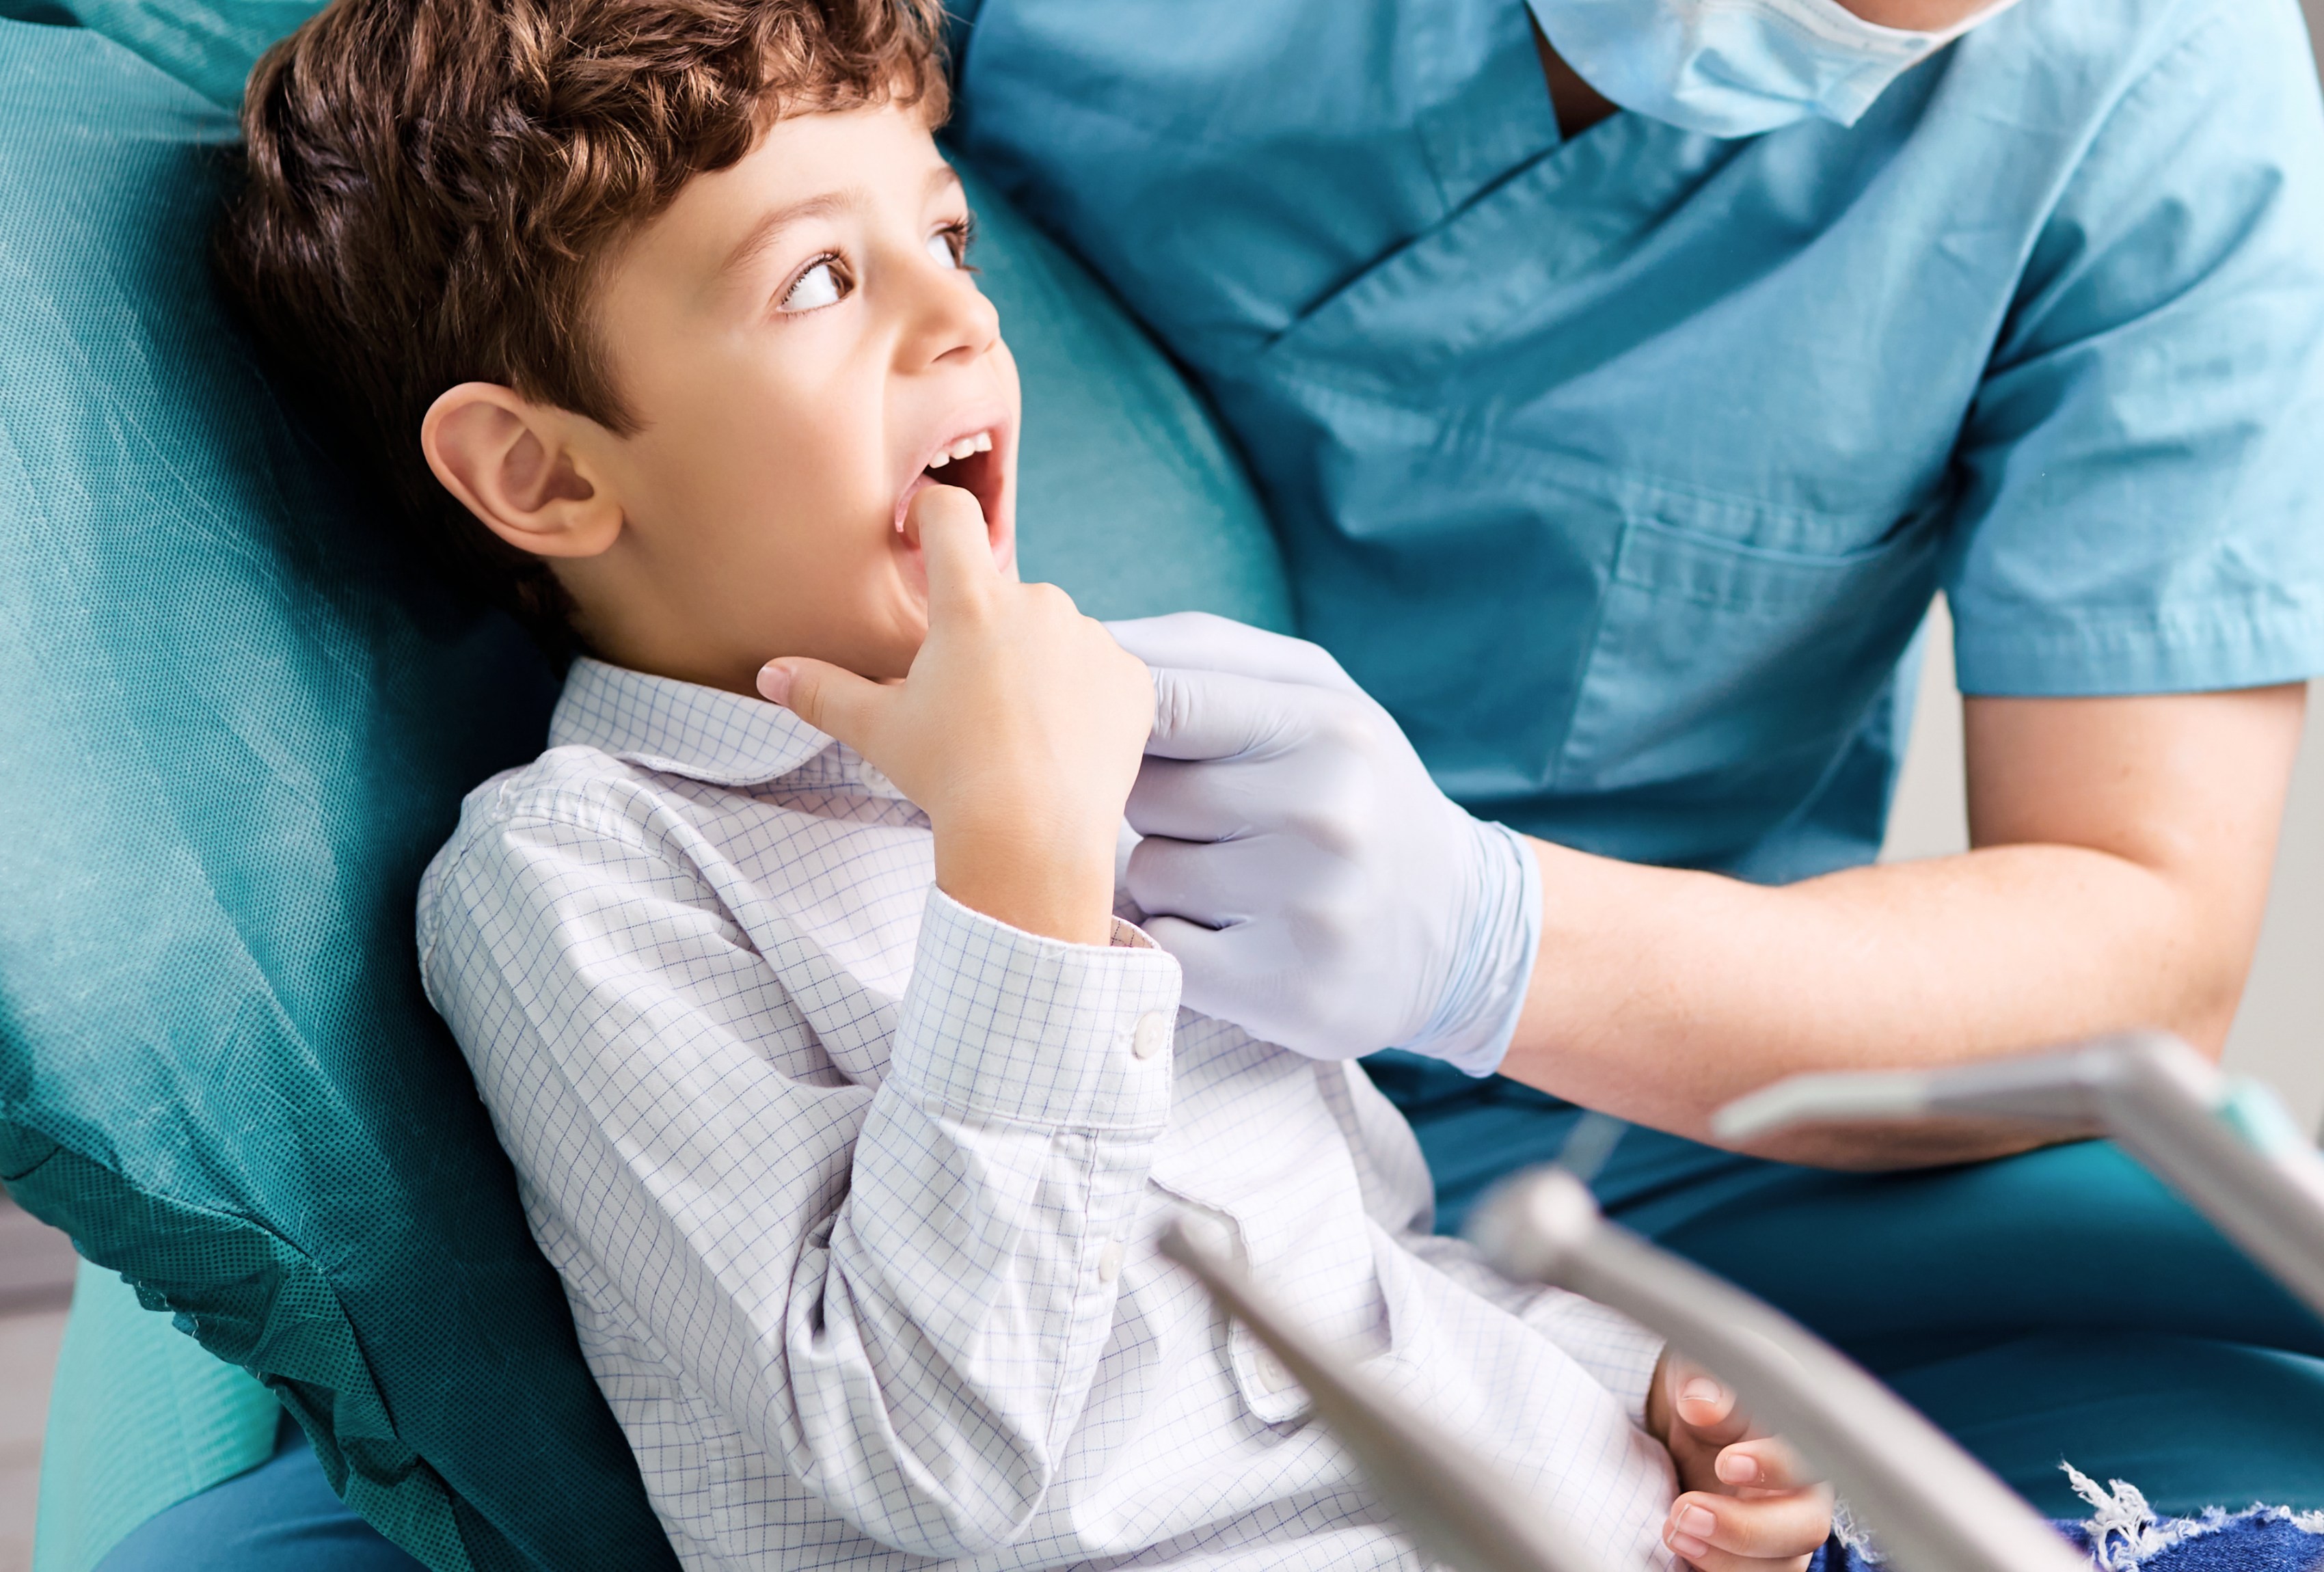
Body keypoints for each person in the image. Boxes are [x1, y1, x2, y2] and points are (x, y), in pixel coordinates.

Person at [132, 0, 1839, 1569]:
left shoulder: (1094, 741)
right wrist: (1015, 885)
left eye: (946, 237)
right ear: (544, 471)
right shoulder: (579, 879)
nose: (957, 314)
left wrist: (1633, 1400)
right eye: (817, 281)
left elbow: (1364, 1265)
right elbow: (917, 1453)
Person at [941, 0, 2324, 1517]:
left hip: (1621, 1133)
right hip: (965, 997)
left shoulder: (2148, 78)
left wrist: (1490, 938)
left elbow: (2140, 934)